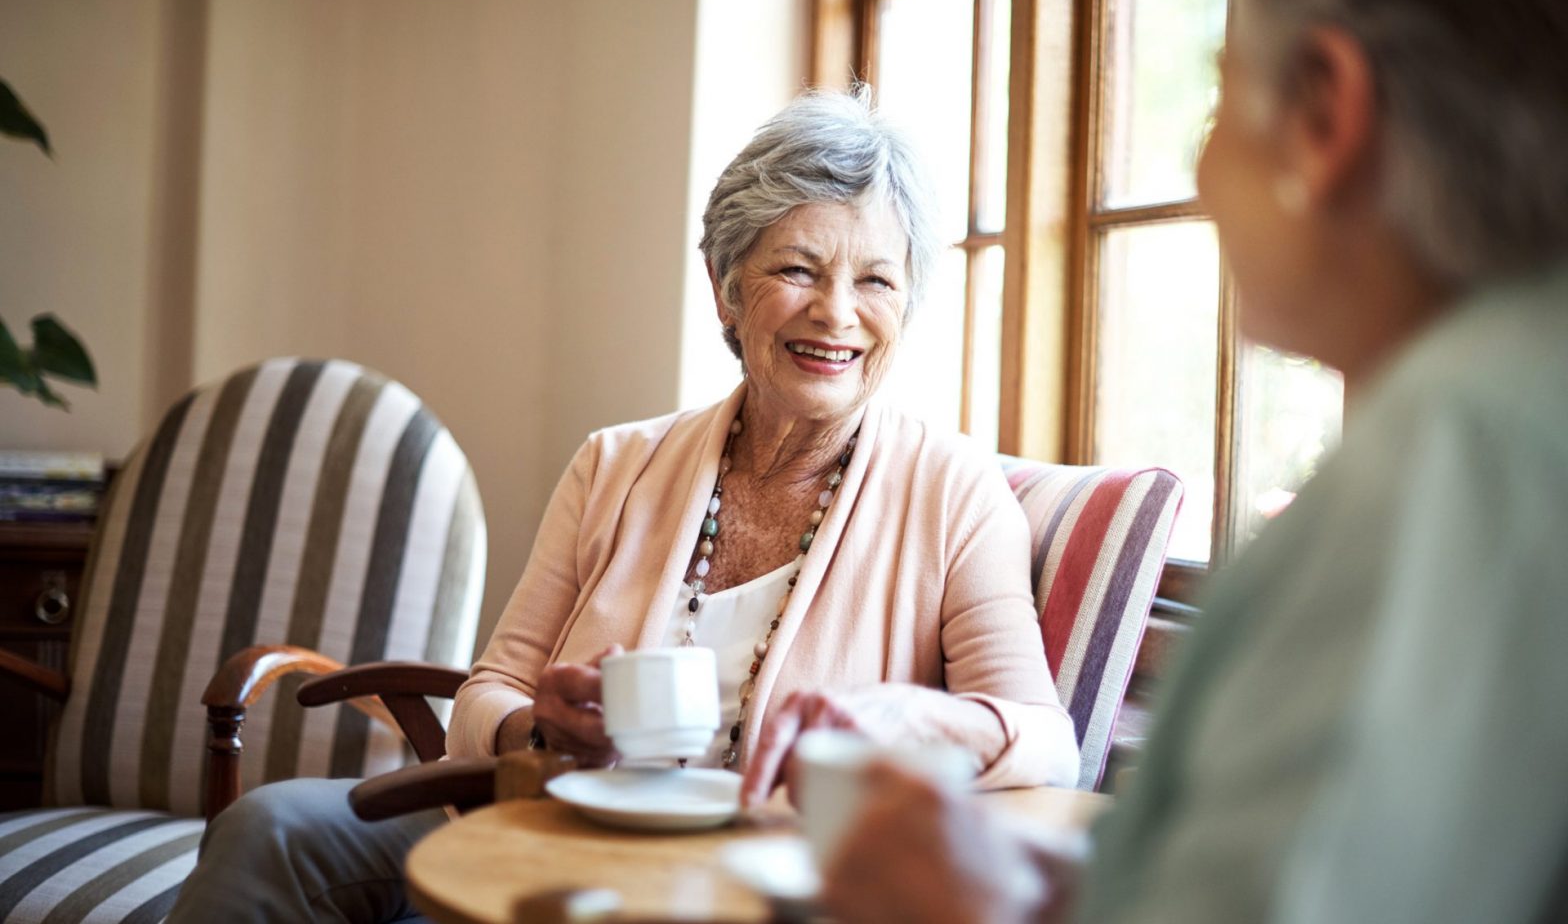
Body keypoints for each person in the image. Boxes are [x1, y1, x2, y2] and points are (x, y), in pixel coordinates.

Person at [168, 87, 1080, 922]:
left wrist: (913, 718)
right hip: (556, 826)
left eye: (876, 280)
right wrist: (541, 726)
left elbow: (1046, 741)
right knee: (271, 828)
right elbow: (488, 693)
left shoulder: (955, 494)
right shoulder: (615, 463)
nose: (837, 313)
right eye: (798, 270)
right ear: (728, 292)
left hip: (766, 873)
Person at [818, 0, 1568, 921]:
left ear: (1325, 117)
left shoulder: (1455, 452)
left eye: (1220, 95)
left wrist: (971, 907)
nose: (1203, 170)